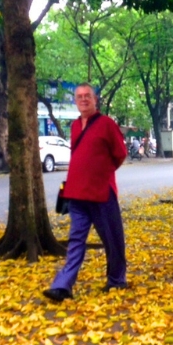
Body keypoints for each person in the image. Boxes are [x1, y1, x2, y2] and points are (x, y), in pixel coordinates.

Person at [43, 83, 128, 302]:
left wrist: (103, 172)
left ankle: (117, 279)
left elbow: (120, 153)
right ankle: (62, 285)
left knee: (112, 239)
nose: (83, 99)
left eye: (87, 96)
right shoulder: (74, 126)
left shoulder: (107, 124)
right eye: (79, 96)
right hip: (77, 194)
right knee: (75, 240)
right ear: (75, 101)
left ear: (95, 99)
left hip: (101, 192)